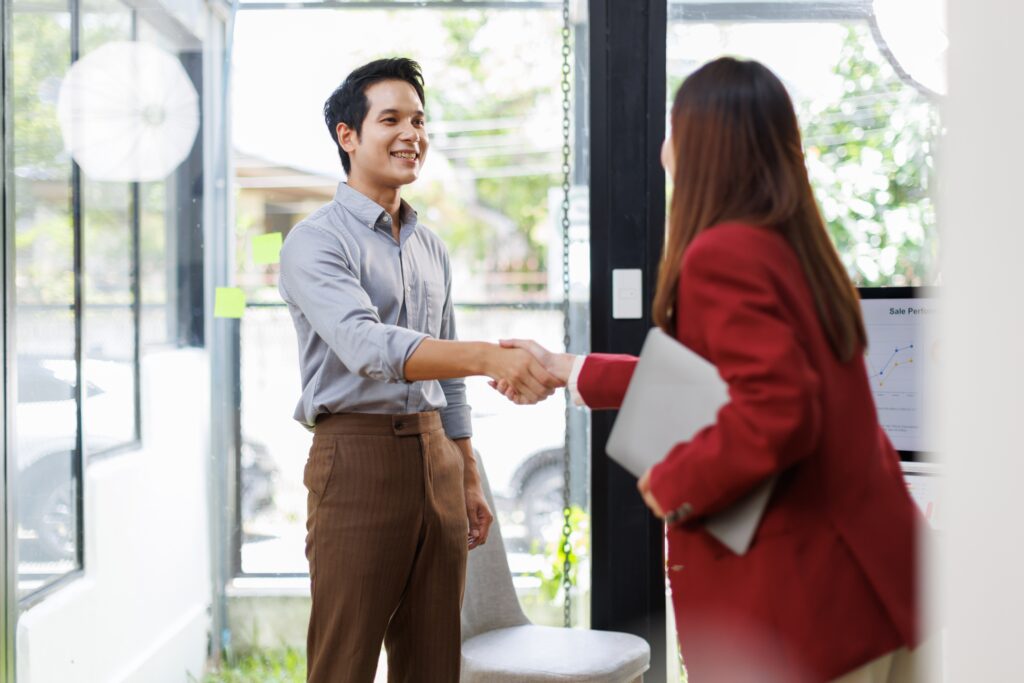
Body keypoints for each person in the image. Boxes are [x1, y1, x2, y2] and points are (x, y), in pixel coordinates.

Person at [497, 57, 930, 682]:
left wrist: (675, 480)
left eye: (672, 128)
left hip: (810, 600)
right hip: (879, 583)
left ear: (702, 143)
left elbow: (776, 408)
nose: (663, 148)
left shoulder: (724, 252)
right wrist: (568, 369)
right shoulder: (793, 246)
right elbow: (712, 382)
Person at [279, 57, 562, 683]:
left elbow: (447, 373)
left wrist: (464, 471)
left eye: (419, 120)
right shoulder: (315, 241)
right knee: (343, 662)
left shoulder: (430, 244)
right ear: (347, 136)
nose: (412, 134)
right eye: (392, 119)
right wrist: (492, 356)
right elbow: (366, 344)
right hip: (355, 460)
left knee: (435, 660)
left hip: (435, 456)